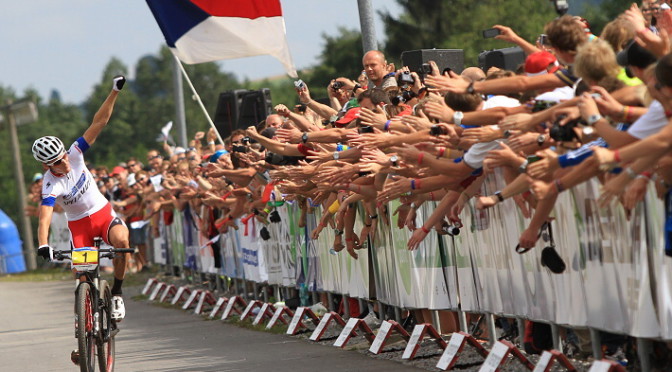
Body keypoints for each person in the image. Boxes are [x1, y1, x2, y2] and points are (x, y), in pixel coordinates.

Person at [34, 76, 130, 322]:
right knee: (81, 276)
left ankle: (117, 293)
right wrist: (43, 244)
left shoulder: (75, 153)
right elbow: (45, 216)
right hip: (79, 227)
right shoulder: (50, 183)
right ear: (47, 165)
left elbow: (100, 121)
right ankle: (83, 327)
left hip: (102, 214)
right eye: (56, 162)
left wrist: (114, 91)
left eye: (62, 157)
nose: (64, 162)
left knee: (122, 240)